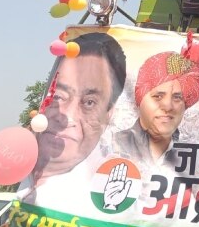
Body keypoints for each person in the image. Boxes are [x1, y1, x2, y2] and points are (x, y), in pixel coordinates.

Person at [18, 32, 127, 212]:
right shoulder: (22, 169)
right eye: (59, 96)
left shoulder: (112, 193)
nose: (65, 117)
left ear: (109, 114)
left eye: (89, 103)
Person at [113, 37, 199, 168]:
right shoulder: (113, 144)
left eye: (177, 98)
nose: (168, 106)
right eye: (158, 96)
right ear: (140, 99)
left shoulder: (194, 158)